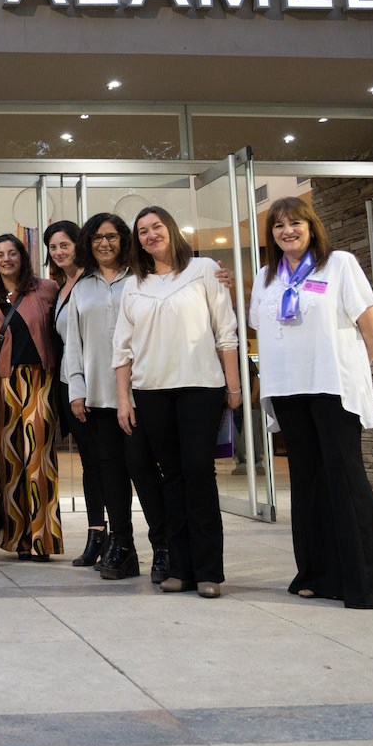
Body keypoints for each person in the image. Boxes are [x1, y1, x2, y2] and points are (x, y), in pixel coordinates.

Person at [248, 196, 373, 608]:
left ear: (311, 226)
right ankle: (318, 575)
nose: (288, 231)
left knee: (344, 478)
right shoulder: (265, 276)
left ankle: (369, 583)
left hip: (331, 385)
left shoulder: (339, 263)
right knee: (307, 482)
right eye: (279, 225)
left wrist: (355, 370)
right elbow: (259, 329)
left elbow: (370, 326)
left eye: (296, 223)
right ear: (271, 235)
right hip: (287, 389)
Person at [114, 207, 238, 597]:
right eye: (143, 231)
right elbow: (122, 349)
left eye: (156, 227)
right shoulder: (134, 284)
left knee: (199, 472)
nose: (151, 235)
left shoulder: (203, 270)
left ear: (170, 229)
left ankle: (209, 573)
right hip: (151, 391)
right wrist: (123, 399)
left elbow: (226, 331)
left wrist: (232, 386)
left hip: (201, 386)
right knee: (172, 478)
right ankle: (180, 568)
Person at [64, 213, 170, 582]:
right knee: (110, 474)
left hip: (140, 393)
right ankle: (122, 547)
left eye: (111, 236)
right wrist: (76, 389)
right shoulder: (82, 287)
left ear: (124, 240)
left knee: (142, 469)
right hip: (98, 396)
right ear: (87, 244)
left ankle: (163, 547)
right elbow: (72, 345)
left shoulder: (143, 279)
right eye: (96, 238)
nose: (104, 243)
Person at [0, 233, 62, 560]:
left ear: (22, 256)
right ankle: (17, 540)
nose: (6, 259)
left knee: (38, 459)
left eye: (12, 252)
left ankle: (42, 538)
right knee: (9, 461)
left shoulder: (46, 289)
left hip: (39, 380)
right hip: (3, 384)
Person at [45, 220, 107, 567]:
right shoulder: (60, 287)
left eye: (64, 244)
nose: (59, 252)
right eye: (53, 247)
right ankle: (96, 533)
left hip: (99, 382)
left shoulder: (94, 282)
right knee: (89, 462)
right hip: (70, 383)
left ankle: (118, 538)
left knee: (107, 462)